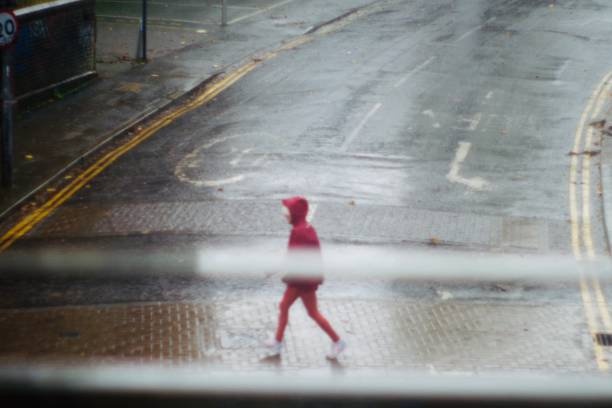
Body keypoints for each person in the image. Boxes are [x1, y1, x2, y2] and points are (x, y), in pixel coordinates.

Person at [266, 196, 346, 359]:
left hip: (302, 280)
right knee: (286, 306)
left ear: (294, 214)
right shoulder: (306, 228)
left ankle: (338, 342)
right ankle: (277, 342)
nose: (284, 216)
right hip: (304, 277)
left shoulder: (298, 231)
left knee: (311, 312)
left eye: (287, 212)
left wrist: (273, 270)